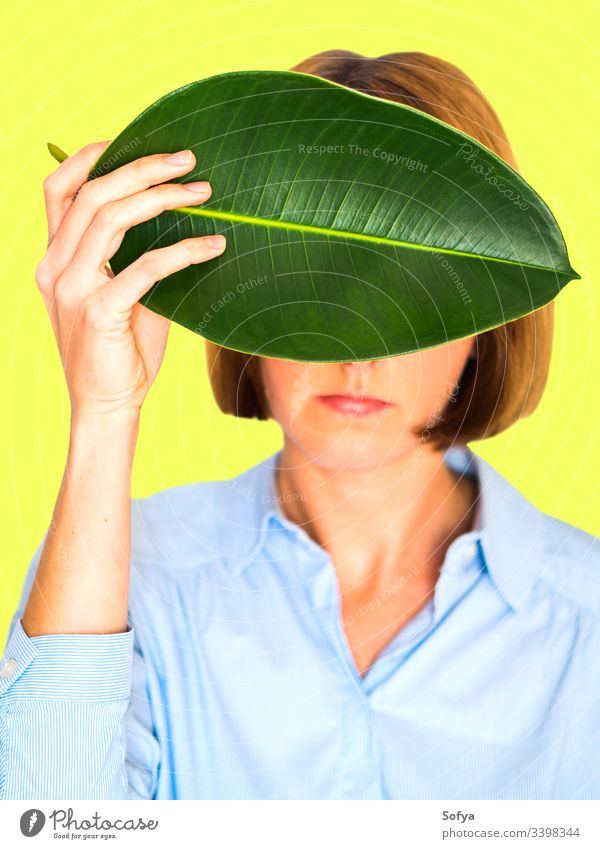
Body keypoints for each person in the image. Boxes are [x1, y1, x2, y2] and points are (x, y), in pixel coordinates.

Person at [1, 50, 598, 801]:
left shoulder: (587, 617)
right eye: (315, 289)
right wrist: (103, 411)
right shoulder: (126, 581)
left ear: (485, 326)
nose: (363, 350)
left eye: (416, 294)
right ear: (243, 305)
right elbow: (47, 824)